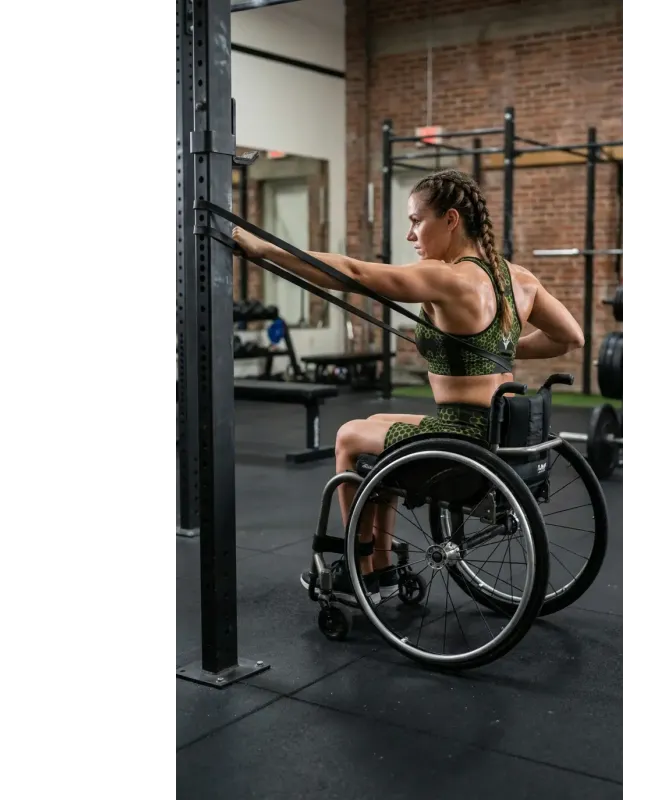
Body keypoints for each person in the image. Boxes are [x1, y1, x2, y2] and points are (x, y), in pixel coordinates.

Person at [232, 168, 584, 604]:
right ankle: (383, 568)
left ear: (451, 219)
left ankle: (359, 570)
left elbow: (352, 273)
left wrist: (264, 250)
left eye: (418, 220)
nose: (410, 233)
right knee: (376, 423)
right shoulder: (519, 278)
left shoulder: (447, 277)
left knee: (348, 437)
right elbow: (570, 338)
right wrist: (495, 353)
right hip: (492, 429)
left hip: (462, 440)